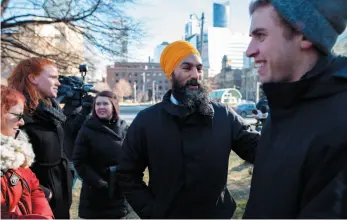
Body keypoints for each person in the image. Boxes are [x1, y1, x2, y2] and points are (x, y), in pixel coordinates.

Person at [117, 40, 260, 219]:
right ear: (171, 73)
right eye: (187, 68)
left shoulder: (224, 116)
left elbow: (260, 149)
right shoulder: (147, 121)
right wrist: (152, 211)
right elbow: (126, 172)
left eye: (199, 69)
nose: (195, 75)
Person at [243, 0, 347, 218]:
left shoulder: (340, 126)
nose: (249, 51)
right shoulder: (284, 106)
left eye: (261, 35)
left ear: (305, 36)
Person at [7, 57, 89, 218]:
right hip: (38, 203)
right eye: (52, 77)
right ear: (33, 78)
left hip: (60, 195)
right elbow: (9, 163)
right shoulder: (17, 113)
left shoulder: (51, 110)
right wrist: (42, 192)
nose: (58, 83)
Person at [0, 85, 54, 219]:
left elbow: (35, 189)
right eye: (18, 115)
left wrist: (45, 216)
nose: (22, 122)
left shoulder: (16, 151)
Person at [73, 90, 128, 219]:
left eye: (105, 104)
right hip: (95, 194)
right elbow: (79, 161)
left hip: (119, 191)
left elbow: (133, 156)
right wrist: (99, 183)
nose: (101, 107)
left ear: (114, 106)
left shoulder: (125, 127)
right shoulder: (87, 129)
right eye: (97, 104)